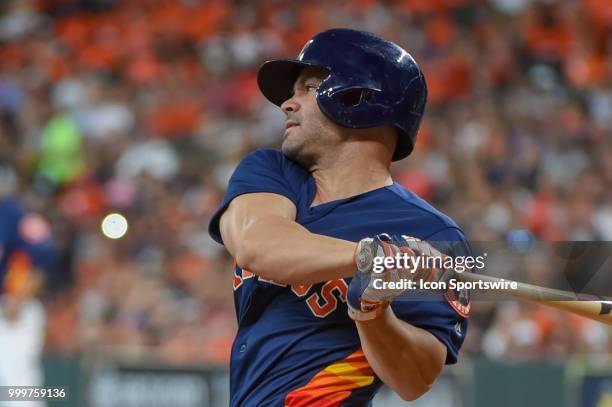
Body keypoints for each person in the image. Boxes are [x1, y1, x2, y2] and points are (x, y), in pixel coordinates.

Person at [208, 28, 471, 406]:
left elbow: (416, 380)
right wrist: (369, 257)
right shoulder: (272, 173)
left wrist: (373, 311)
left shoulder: (432, 233)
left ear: (359, 98)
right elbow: (257, 245)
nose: (287, 104)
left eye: (308, 88)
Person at [0, 165, 56, 407]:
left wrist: (19, 298)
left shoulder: (13, 215)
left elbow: (44, 255)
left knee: (18, 387)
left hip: (12, 311)